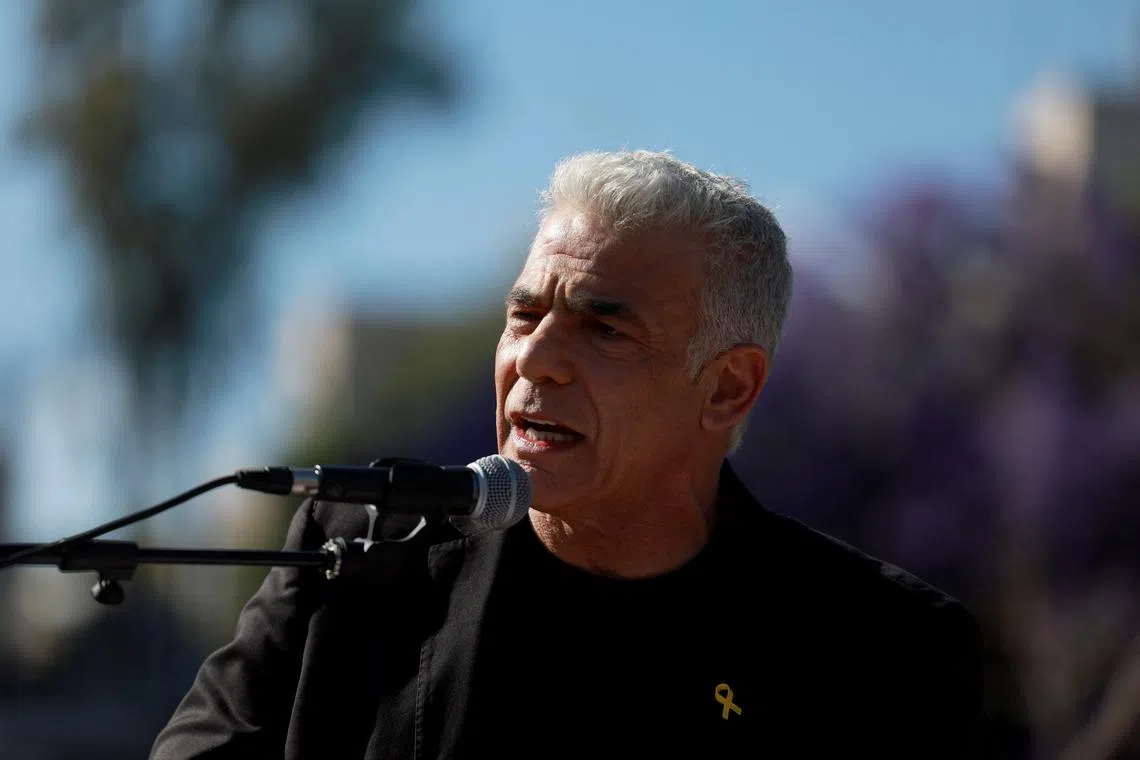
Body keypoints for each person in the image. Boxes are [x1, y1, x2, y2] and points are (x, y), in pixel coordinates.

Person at [151, 150, 985, 759]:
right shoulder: (365, 550)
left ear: (728, 388)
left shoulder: (887, 652)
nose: (536, 358)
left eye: (605, 326)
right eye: (523, 315)